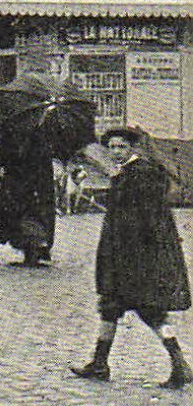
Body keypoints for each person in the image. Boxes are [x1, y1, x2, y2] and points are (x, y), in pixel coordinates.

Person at [71, 128, 192, 388]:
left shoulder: (142, 174)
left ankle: (179, 364)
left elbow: (146, 217)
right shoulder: (126, 173)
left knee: (149, 310)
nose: (116, 152)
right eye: (112, 147)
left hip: (135, 255)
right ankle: (100, 363)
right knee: (111, 307)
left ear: (133, 149)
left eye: (121, 147)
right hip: (123, 252)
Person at [0, 122, 58, 267]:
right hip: (37, 183)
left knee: (24, 216)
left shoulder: (12, 131)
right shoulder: (43, 129)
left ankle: (33, 251)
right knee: (30, 215)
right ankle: (34, 250)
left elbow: (5, 158)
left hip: (22, 182)